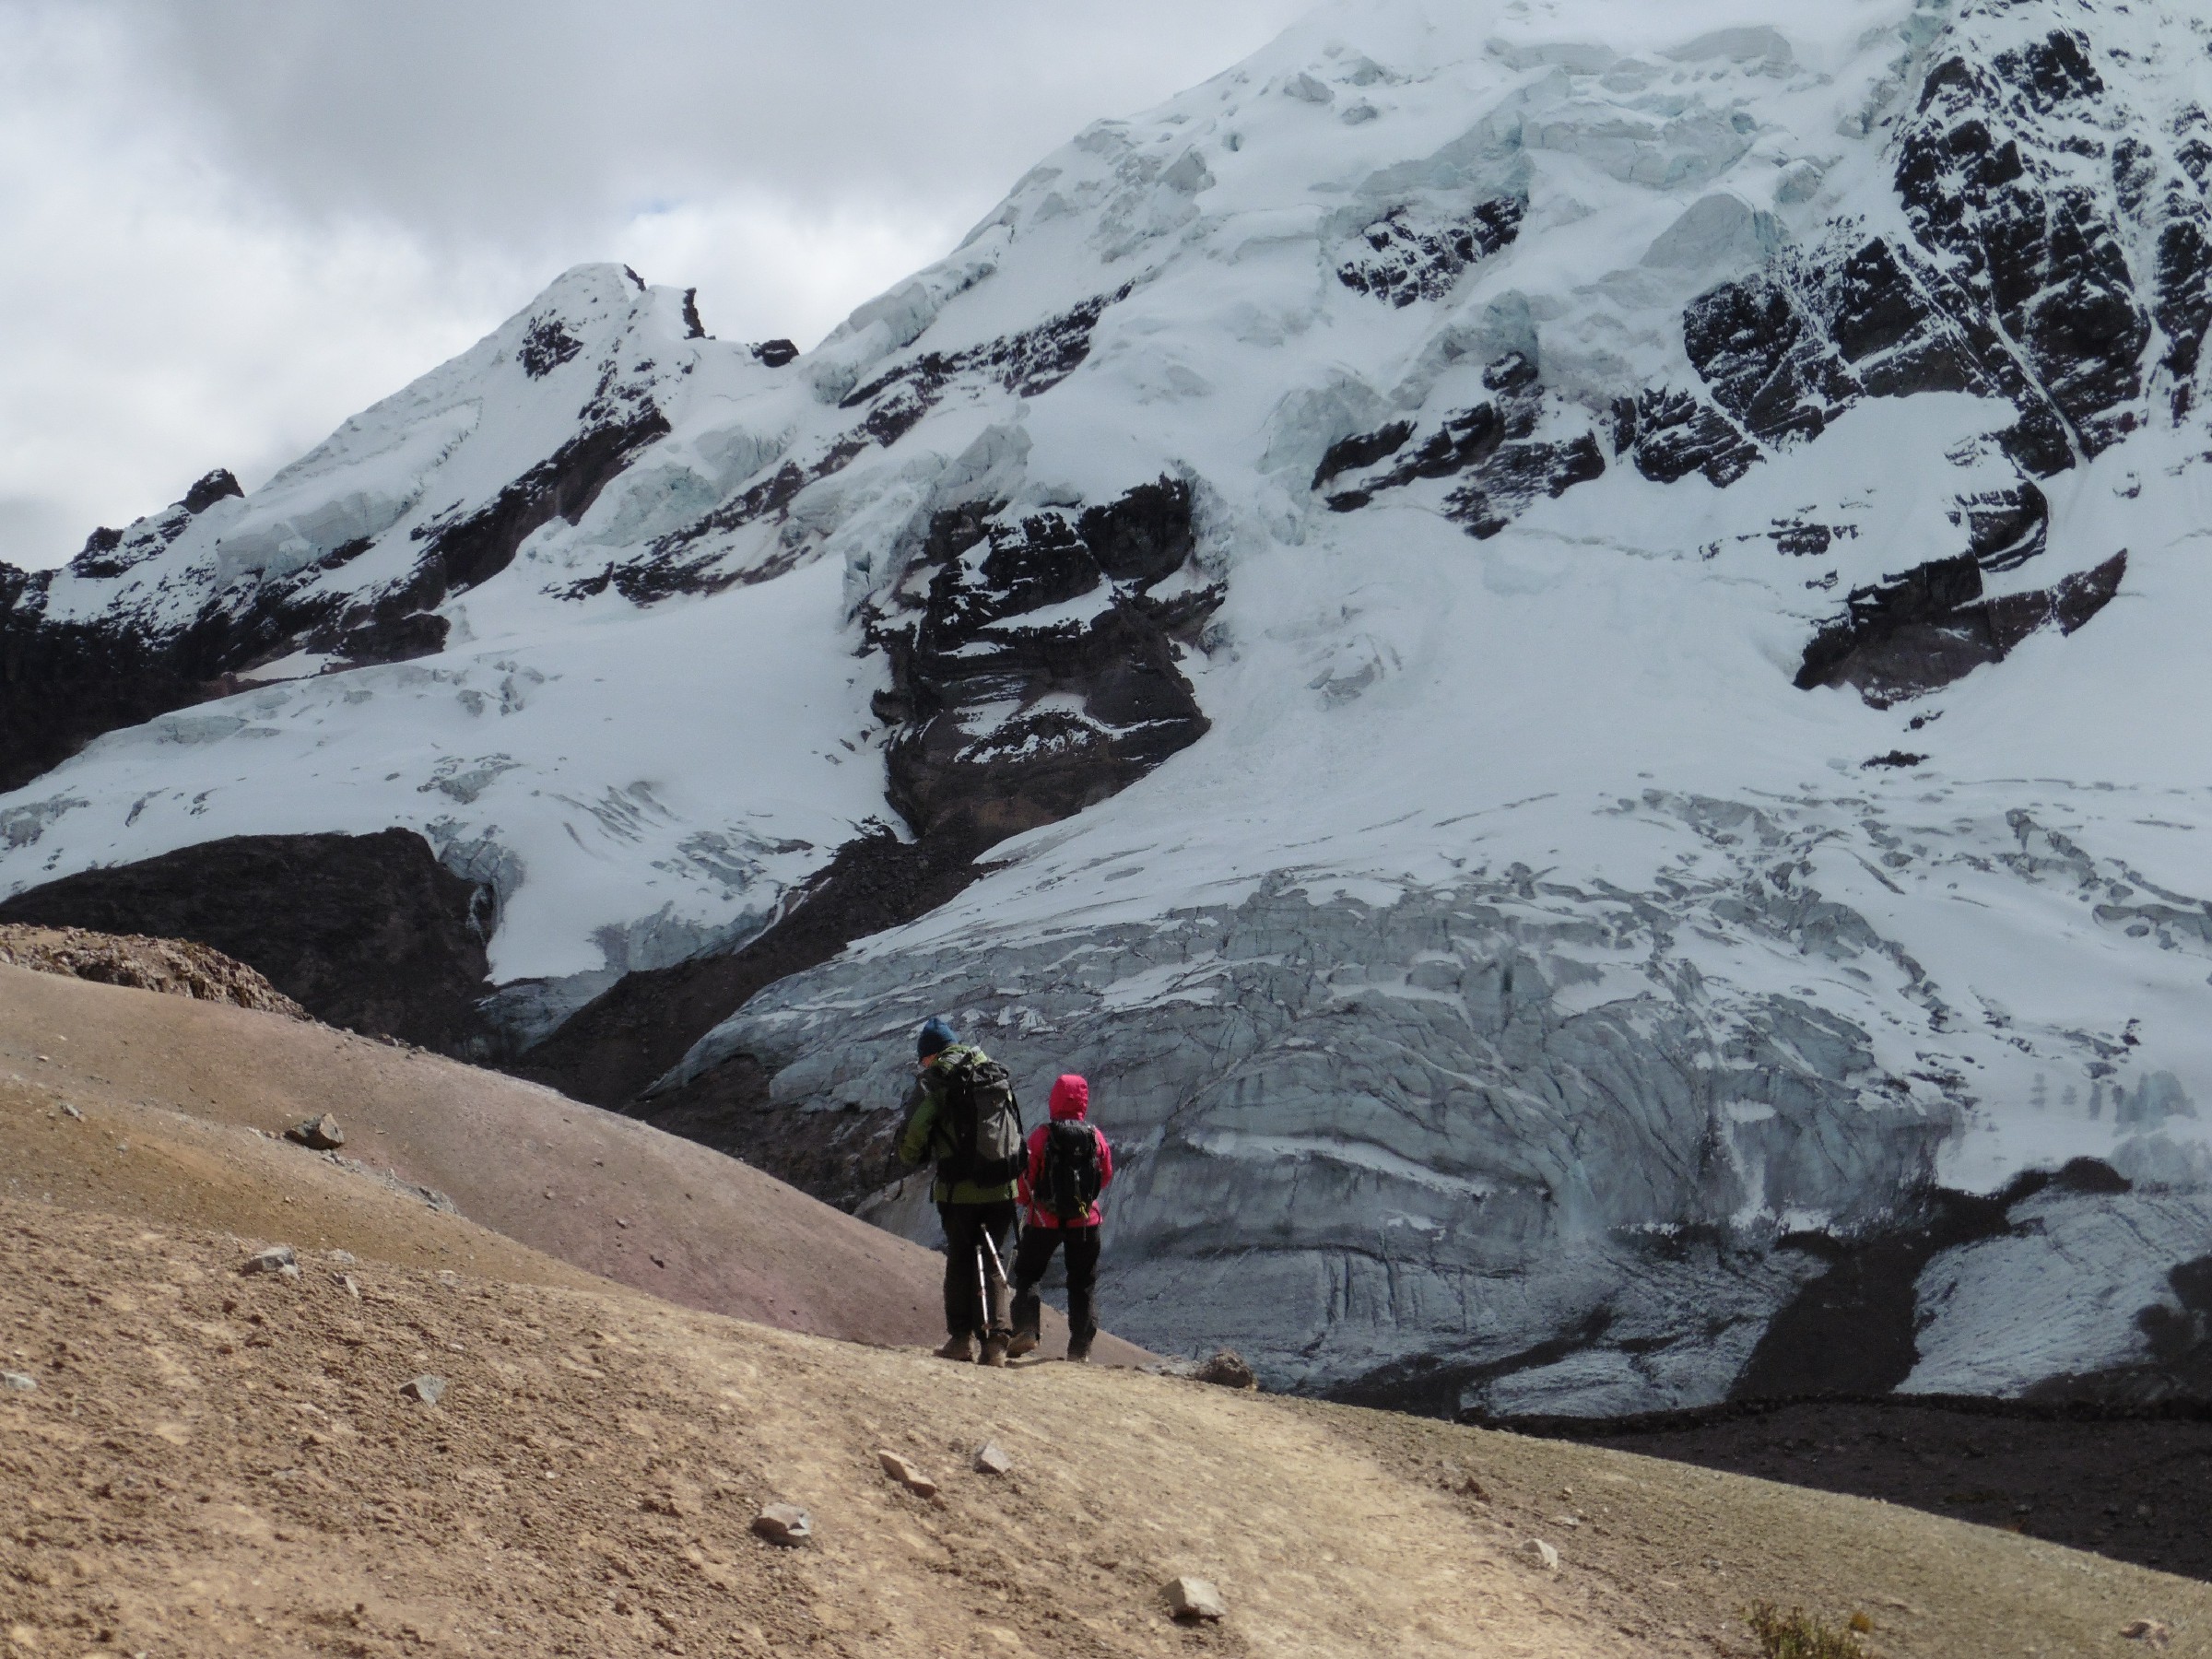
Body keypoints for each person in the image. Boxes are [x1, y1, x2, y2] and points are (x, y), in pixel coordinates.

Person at [897, 1017, 1020, 1366]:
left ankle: (960, 1340)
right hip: (1003, 1186)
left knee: (962, 1260)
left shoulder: (937, 1080)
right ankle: (996, 1341)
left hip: (960, 1189)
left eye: (923, 1059)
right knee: (995, 1260)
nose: (923, 1065)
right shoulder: (992, 1072)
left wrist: (910, 1157)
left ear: (932, 1055)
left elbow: (916, 1128)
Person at [1009, 1073, 1113, 1363]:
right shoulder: (1095, 1136)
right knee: (1082, 1282)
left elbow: (1027, 1178)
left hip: (1044, 1220)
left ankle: (1027, 1328)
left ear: (1054, 1099)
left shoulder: (1043, 1134)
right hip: (1085, 1221)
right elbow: (1104, 1175)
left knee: (1029, 1272)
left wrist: (1025, 1201)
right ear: (1083, 1101)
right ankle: (1079, 1349)